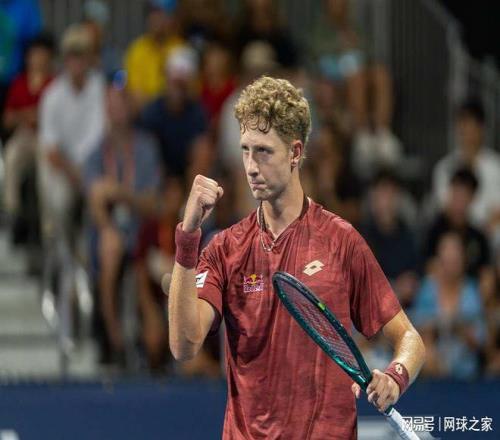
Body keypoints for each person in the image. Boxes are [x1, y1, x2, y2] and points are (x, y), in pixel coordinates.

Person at [168, 76, 425, 439]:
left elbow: (410, 339)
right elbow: (183, 345)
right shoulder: (224, 249)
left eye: (264, 151)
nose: (251, 166)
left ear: (295, 153)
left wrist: (395, 378)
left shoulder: (341, 241)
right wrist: (188, 237)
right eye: (245, 150)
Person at [84, 73, 161, 365]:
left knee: (141, 251)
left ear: (130, 108)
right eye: (111, 105)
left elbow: (152, 203)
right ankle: (113, 335)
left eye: (121, 104)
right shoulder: (96, 152)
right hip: (111, 235)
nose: (117, 111)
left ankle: (152, 344)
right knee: (109, 245)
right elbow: (95, 198)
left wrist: (121, 194)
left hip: (143, 229)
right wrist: (108, 228)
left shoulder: (146, 147)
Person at [2, 34, 55, 242]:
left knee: (45, 164)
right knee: (11, 154)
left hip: (46, 137)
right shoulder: (19, 83)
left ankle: (47, 224)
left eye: (42, 54)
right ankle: (12, 213)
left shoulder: (54, 83)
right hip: (23, 136)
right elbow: (7, 119)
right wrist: (28, 115)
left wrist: (27, 115)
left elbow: (49, 117)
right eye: (34, 54)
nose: (38, 59)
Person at [411, 232, 485, 379]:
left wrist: (462, 330)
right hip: (432, 370)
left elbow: (481, 340)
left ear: (463, 261)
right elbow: (414, 330)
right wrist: (433, 328)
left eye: (455, 261)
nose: (451, 266)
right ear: (439, 261)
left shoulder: (471, 292)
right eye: (447, 261)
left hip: (466, 372)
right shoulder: (428, 289)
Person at [433, 98, 500, 229]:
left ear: (481, 128)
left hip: (489, 235)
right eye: (462, 125)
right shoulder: (444, 168)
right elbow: (445, 209)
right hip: (455, 235)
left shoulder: (496, 166)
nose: (466, 132)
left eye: (471, 125)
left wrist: (479, 236)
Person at [124, 0, 184, 110]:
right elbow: (135, 97)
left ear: (172, 18)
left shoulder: (181, 50)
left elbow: (184, 97)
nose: (155, 19)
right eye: (152, 13)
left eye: (160, 13)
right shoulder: (137, 50)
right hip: (144, 116)